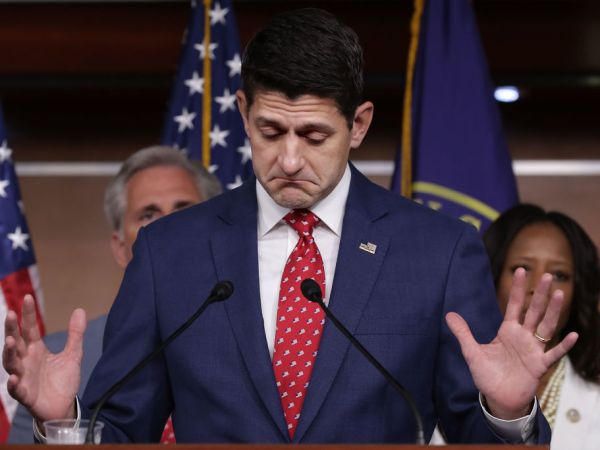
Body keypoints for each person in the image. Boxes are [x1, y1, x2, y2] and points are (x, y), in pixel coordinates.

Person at [3, 8, 576, 444]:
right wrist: (62, 420)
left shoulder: (438, 252)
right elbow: (123, 428)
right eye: (271, 132)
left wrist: (507, 414)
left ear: (359, 125)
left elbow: (474, 433)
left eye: (315, 136)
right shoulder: (169, 254)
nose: (291, 160)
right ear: (242, 111)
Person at [6, 145, 221, 443]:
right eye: (148, 215)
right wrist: (63, 422)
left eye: (184, 210)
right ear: (120, 247)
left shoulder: (263, 339)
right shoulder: (53, 359)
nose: (169, 228)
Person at [484, 204, 600, 450]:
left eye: (559, 275)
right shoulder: (438, 386)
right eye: (521, 269)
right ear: (491, 277)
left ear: (578, 291)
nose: (540, 287)